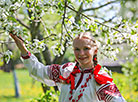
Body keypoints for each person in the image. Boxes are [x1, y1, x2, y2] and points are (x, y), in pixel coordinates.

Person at [10, 32, 126, 102]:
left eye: (86, 49)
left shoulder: (100, 78)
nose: (81, 53)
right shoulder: (66, 70)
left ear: (95, 50)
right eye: (77, 49)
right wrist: (23, 49)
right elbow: (38, 71)